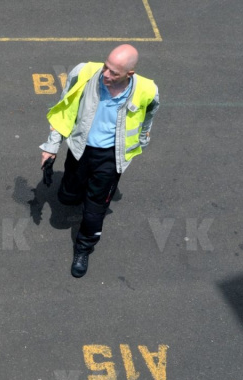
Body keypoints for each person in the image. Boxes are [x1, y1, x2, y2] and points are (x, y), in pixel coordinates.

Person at [39, 44, 159, 278]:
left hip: (110, 158)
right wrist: (52, 147)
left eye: (114, 73)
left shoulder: (147, 90)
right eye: (106, 66)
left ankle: (84, 248)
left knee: (95, 210)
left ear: (129, 74)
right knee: (67, 196)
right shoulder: (83, 73)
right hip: (80, 149)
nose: (106, 74)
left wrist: (140, 144)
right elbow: (64, 109)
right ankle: (74, 192)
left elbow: (148, 118)